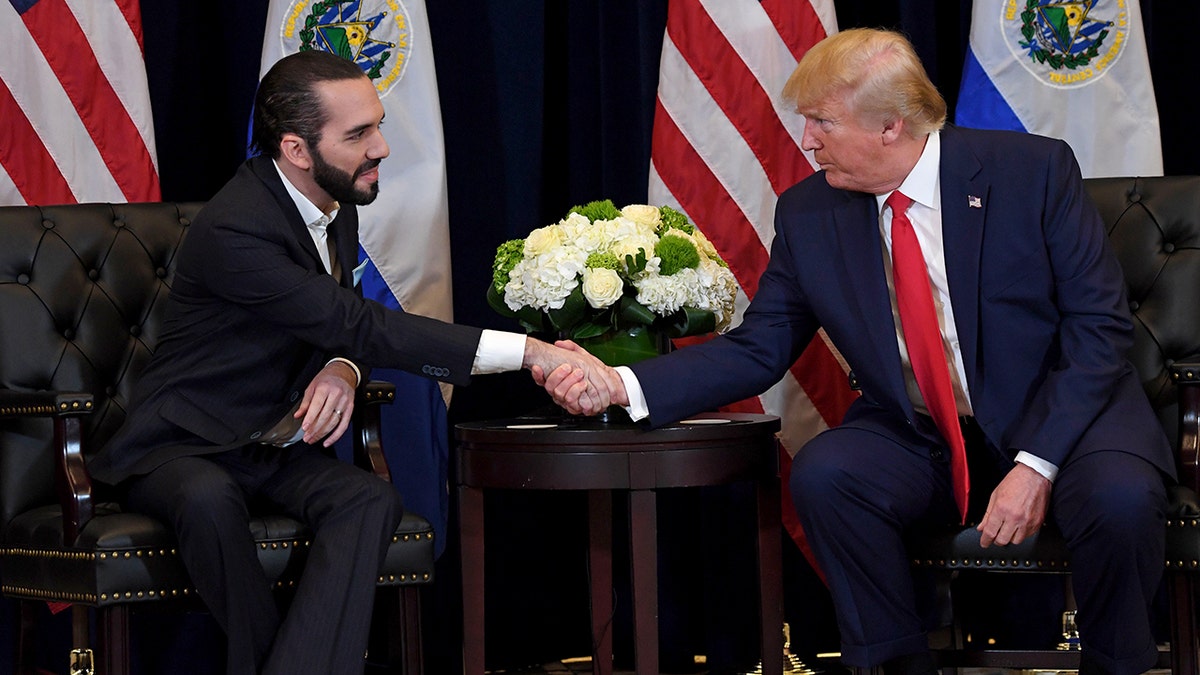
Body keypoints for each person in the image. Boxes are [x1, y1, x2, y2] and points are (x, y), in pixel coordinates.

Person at [540, 28, 1174, 675]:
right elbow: (759, 348)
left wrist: (1035, 464)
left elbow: (1098, 329)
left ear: (890, 127)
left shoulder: (1032, 172)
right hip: (922, 429)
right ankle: (896, 666)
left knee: (1119, 499)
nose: (807, 139)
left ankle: (1116, 664)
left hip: (1063, 414)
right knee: (829, 474)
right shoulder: (810, 212)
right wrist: (622, 383)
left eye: (822, 122)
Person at [88, 50, 608, 675]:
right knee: (207, 499)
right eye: (358, 134)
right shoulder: (236, 228)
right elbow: (358, 322)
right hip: (180, 445)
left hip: (270, 445)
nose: (382, 147)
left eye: (378, 125)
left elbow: (339, 325)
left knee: (368, 501)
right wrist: (529, 351)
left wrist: (343, 369)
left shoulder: (335, 203)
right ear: (297, 150)